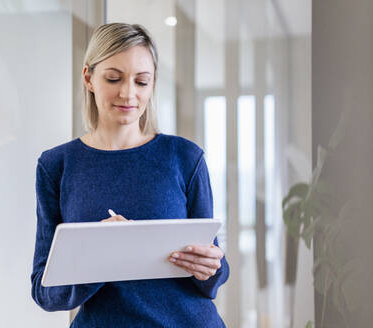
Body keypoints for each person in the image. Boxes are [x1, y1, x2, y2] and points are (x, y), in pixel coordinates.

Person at [30, 23, 230, 327]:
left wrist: (211, 266)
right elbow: (45, 292)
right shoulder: (56, 165)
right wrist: (102, 251)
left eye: (141, 81)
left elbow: (214, 273)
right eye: (114, 78)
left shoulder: (185, 157)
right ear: (89, 77)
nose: (128, 93)